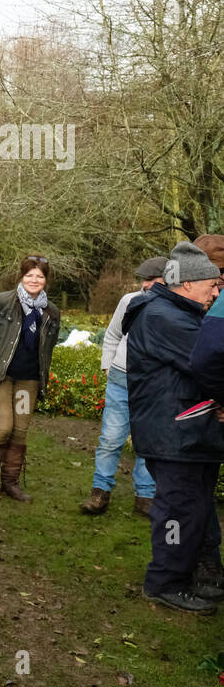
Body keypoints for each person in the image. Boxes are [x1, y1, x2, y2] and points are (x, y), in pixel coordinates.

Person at [124, 241, 224, 614]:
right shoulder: (165, 317)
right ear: (187, 284)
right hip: (173, 432)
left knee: (194, 508)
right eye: (212, 285)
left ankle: (191, 574)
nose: (216, 291)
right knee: (178, 510)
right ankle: (165, 582)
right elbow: (208, 362)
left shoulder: (176, 311)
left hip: (186, 430)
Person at [0, 256, 62, 504]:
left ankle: (10, 482)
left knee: (20, 431)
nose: (34, 280)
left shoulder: (51, 311)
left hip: (27, 381)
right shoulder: (1, 302)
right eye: (30, 275)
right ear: (21, 276)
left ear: (46, 280)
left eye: (40, 276)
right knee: (2, 427)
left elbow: (48, 347)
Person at [80, 257, 165, 517]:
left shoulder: (171, 305)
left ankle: (145, 496)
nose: (145, 283)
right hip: (121, 378)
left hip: (153, 383)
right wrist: (108, 365)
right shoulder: (129, 301)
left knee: (147, 442)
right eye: (144, 279)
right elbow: (113, 334)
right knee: (111, 439)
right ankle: (100, 492)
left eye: (152, 279)